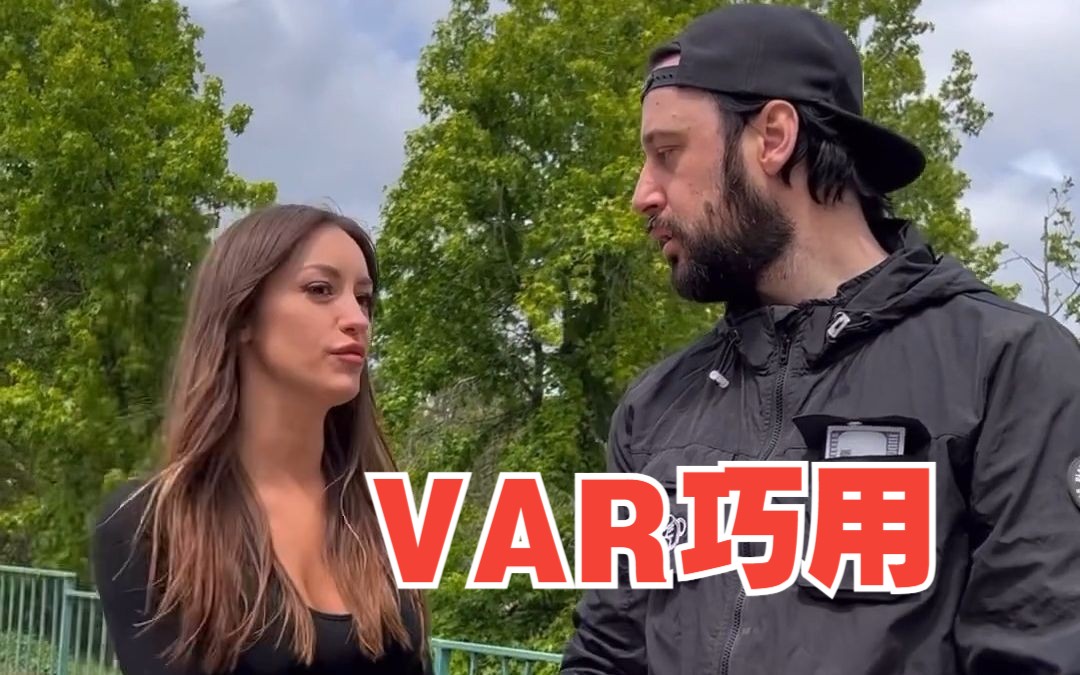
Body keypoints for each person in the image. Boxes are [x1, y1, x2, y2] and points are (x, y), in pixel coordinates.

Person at [560, 4, 1080, 675]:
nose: (642, 195)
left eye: (667, 154)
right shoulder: (654, 408)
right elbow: (605, 654)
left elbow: (1040, 652)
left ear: (774, 137)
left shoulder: (1008, 369)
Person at [92, 204, 431, 674]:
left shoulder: (384, 517)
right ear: (242, 317)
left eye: (364, 299)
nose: (356, 318)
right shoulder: (150, 523)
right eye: (320, 290)